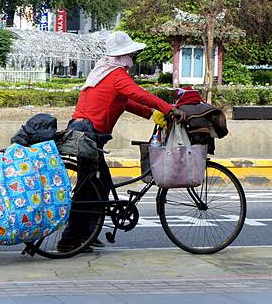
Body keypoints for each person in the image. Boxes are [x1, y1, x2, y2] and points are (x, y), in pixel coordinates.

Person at [57, 31, 186, 253]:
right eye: (130, 54)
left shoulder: (103, 72)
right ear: (122, 55)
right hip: (88, 133)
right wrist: (167, 108)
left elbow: (126, 102)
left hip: (84, 131)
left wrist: (152, 115)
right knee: (89, 189)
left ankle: (87, 233)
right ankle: (69, 240)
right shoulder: (116, 74)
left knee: (99, 185)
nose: (132, 59)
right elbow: (138, 94)